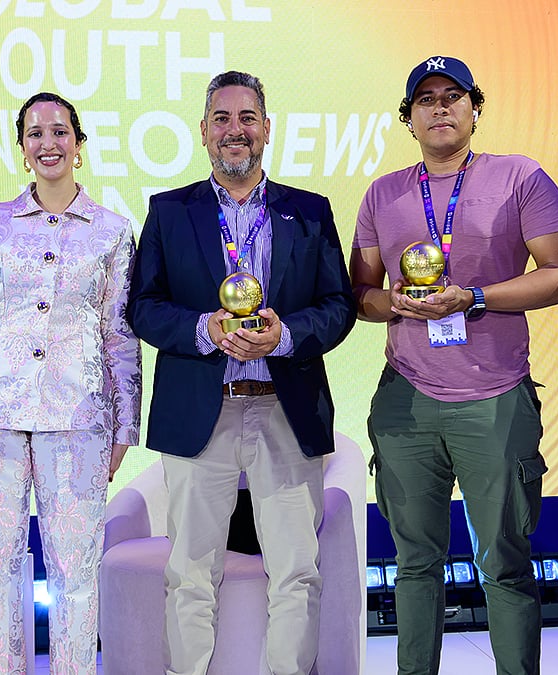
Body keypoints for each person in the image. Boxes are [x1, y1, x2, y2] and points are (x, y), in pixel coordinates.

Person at [350, 56, 558, 675]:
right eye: (425, 99)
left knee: (504, 563)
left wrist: (474, 297)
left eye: (452, 96)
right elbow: (362, 295)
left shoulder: (519, 177)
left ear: (475, 108)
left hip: (496, 397)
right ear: (410, 119)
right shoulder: (383, 193)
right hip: (406, 400)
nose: (440, 108)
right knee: (415, 563)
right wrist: (391, 303)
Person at [127, 70, 355, 675]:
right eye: (222, 119)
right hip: (203, 410)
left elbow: (338, 306)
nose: (236, 131)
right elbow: (143, 307)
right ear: (203, 132)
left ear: (267, 130)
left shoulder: (309, 212)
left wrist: (288, 335)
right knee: (190, 572)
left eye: (247, 118)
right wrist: (205, 329)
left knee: (297, 571)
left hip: (285, 408)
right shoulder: (169, 211)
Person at [0, 92, 140, 675]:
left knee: (75, 574)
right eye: (35, 133)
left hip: (79, 420)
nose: (49, 143)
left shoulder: (114, 232)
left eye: (60, 131)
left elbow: (120, 334)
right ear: (22, 149)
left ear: (79, 143)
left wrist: (125, 425)